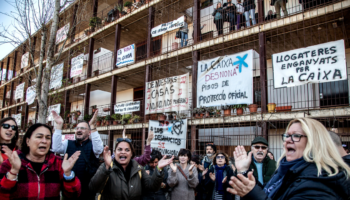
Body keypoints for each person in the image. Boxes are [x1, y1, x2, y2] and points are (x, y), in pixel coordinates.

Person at [227, 118, 350, 199]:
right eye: (287, 136)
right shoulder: (285, 171)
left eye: (296, 136)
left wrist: (253, 195)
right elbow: (265, 192)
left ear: (315, 142)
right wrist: (244, 169)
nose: (287, 140)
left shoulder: (320, 179)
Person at [0, 123, 81, 199]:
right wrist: (13, 172)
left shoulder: (59, 163)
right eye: (39, 137)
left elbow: (74, 195)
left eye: (48, 138)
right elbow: (2, 195)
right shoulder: (11, 163)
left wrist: (68, 175)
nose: (44, 141)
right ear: (28, 141)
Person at [89, 138, 174, 200]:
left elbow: (152, 187)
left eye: (127, 150)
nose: (123, 152)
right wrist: (106, 168)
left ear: (131, 154)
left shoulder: (139, 169)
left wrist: (158, 169)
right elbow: (93, 188)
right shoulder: (106, 167)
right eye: (119, 149)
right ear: (114, 153)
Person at [51, 110, 103, 200]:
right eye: (77, 128)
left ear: (89, 132)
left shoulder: (93, 146)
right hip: (69, 191)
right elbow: (56, 148)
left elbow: (99, 149)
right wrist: (59, 125)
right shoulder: (68, 143)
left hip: (88, 193)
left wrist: (93, 126)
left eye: (82, 128)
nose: (78, 130)